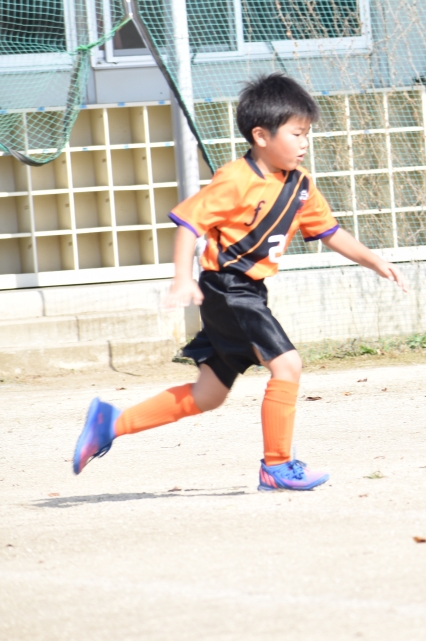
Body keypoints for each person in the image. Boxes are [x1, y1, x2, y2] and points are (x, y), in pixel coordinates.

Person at [70, 72, 408, 491]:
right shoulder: (235, 178)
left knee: (208, 395)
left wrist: (376, 261)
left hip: (248, 293)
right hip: (228, 288)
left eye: (307, 134)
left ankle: (109, 424)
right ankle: (277, 466)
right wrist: (182, 278)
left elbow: (329, 232)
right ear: (261, 135)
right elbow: (189, 223)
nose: (304, 143)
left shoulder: (301, 186)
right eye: (297, 133)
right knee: (287, 364)